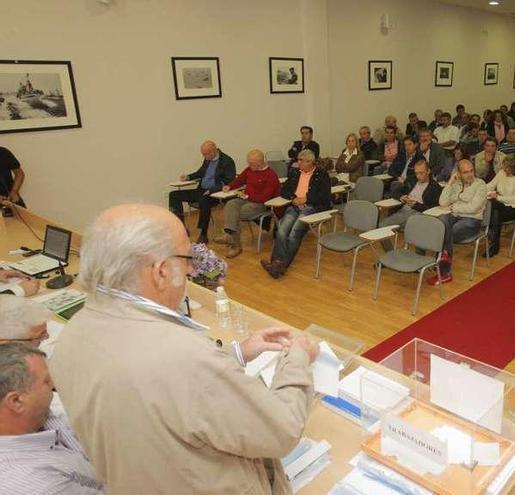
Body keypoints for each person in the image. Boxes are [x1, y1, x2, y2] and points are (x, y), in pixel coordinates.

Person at [50, 203, 318, 493]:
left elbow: (158, 389)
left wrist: (237, 352)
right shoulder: (184, 356)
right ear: (161, 271)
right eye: (186, 258)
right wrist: (298, 359)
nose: (191, 268)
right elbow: (281, 430)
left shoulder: (71, 335)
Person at [0, 343, 104, 494]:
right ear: (16, 401)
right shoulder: (35, 484)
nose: (54, 385)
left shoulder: (37, 416)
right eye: (46, 381)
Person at [262, 149, 331, 278]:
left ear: (310, 162)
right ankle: (276, 263)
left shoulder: (321, 174)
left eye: (301, 160)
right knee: (282, 230)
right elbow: (284, 190)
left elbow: (325, 196)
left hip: (312, 207)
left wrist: (306, 199)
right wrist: (293, 198)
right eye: (298, 159)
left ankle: (281, 265)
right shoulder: (294, 173)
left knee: (294, 233)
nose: (297, 162)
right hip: (295, 205)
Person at [169, 141, 237, 244]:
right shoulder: (207, 159)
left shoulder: (227, 161)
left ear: (213, 151)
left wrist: (212, 190)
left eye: (205, 154)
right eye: (203, 154)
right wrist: (188, 177)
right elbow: (200, 172)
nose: (204, 156)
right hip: (201, 190)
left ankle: (203, 234)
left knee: (204, 201)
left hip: (214, 194)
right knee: (174, 195)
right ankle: (180, 227)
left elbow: (229, 181)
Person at [435, 160, 488, 284]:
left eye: (471, 171)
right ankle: (444, 258)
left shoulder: (480, 185)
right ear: (458, 173)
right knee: (440, 221)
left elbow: (473, 208)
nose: (469, 174)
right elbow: (442, 202)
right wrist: (450, 182)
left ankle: (443, 267)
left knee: (446, 232)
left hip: (472, 220)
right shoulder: (456, 184)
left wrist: (453, 207)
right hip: (454, 217)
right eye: (465, 172)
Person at [378, 160, 441, 251]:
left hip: (419, 214)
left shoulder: (435, 187)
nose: (418, 176)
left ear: (428, 171)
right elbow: (396, 191)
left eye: (421, 173)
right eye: (416, 173)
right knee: (382, 225)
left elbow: (433, 209)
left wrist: (416, 205)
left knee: (416, 229)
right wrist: (401, 197)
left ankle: (417, 258)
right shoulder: (411, 180)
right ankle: (390, 254)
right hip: (404, 211)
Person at [485, 155, 515, 258]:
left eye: (507, 167)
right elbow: (491, 185)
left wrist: (497, 197)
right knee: (491, 208)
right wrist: (480, 188)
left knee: (495, 212)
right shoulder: (501, 173)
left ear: (514, 168)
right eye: (504, 166)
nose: (504, 169)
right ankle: (493, 241)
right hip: (502, 203)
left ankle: (493, 243)